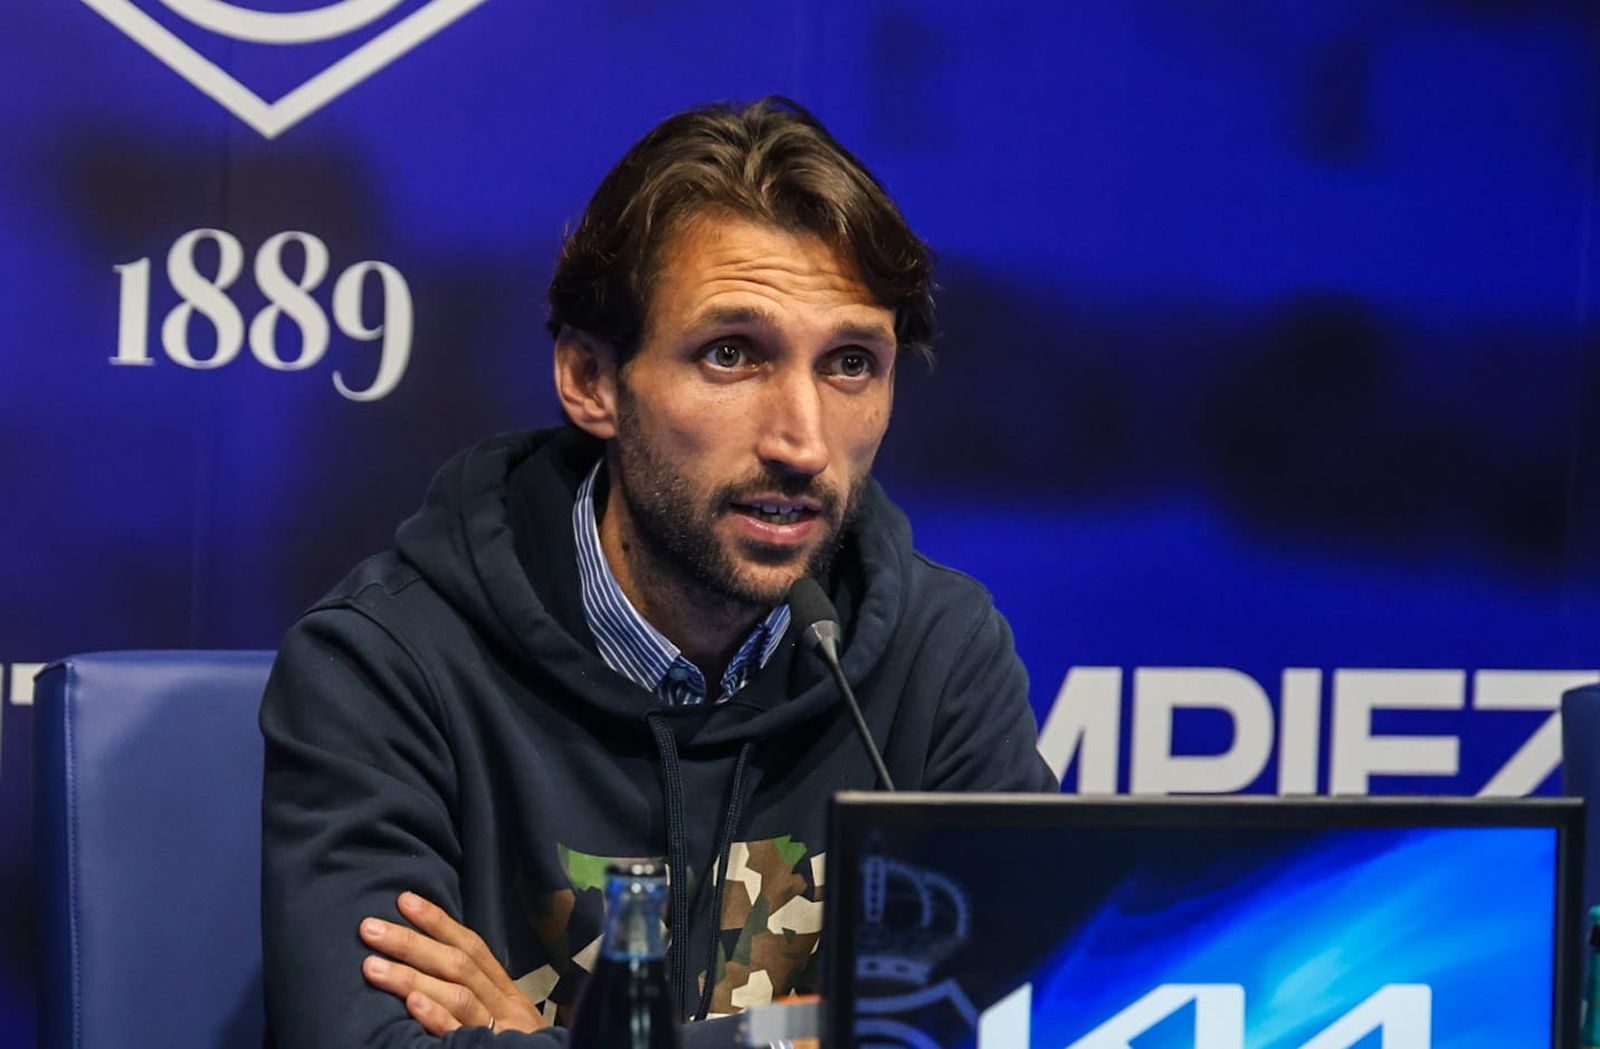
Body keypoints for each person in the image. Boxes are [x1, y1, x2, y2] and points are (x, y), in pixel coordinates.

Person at [260, 97, 1058, 1049]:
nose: (802, 441)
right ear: (592, 380)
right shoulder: (382, 667)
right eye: (732, 354)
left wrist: (547, 1041)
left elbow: (1031, 1023)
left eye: (850, 363)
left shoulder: (937, 657)